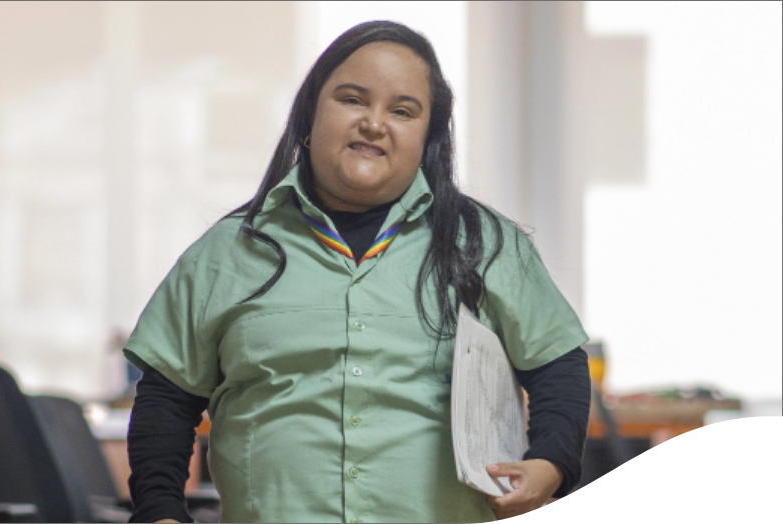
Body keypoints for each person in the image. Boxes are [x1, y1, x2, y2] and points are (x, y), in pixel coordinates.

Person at [125, 21, 591, 523]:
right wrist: (160, 511)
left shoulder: (487, 245)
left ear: (427, 139)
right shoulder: (226, 252)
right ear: (309, 118)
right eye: (352, 99)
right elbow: (167, 399)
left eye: (402, 111)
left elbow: (557, 367)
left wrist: (550, 463)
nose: (374, 123)